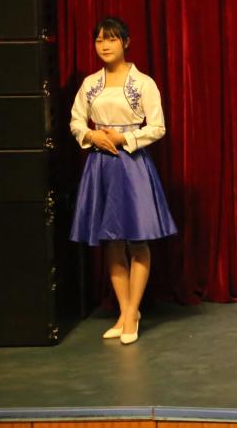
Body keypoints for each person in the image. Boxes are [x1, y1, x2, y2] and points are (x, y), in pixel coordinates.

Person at [69, 17, 176, 345]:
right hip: (100, 165)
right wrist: (92, 135)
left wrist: (123, 138)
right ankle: (126, 311)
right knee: (111, 242)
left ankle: (130, 315)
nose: (104, 46)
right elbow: (76, 121)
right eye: (99, 40)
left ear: (126, 42)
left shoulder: (143, 83)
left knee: (137, 240)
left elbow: (157, 127)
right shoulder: (90, 83)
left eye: (112, 39)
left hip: (131, 165)